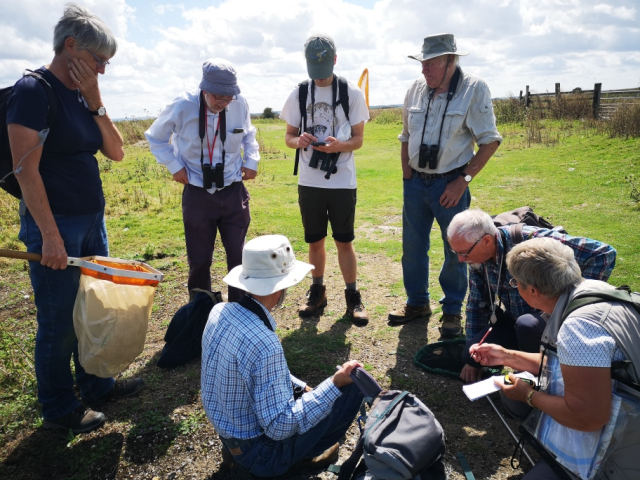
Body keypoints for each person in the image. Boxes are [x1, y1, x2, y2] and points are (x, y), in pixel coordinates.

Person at [7, 3, 143, 434]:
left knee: (91, 308)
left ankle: (97, 384)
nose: (102, 69)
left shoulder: (83, 95)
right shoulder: (33, 91)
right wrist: (49, 235)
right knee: (59, 320)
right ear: (70, 47)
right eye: (99, 60)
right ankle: (59, 406)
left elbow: (117, 151)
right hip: (54, 225)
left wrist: (97, 103)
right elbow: (25, 171)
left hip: (90, 221)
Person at [470, 238, 639, 480]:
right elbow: (573, 369)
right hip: (623, 412)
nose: (514, 286)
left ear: (533, 291)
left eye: (515, 282)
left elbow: (588, 416)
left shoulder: (579, 329)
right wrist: (507, 356)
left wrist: (527, 395)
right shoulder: (593, 291)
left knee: (515, 401)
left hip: (624, 448)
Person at [201, 235, 364, 478]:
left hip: (230, 436)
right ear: (280, 286)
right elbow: (279, 426)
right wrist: (333, 384)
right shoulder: (263, 341)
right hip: (260, 454)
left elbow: (251, 371)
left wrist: (302, 387)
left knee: (312, 393)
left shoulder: (218, 311)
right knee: (353, 387)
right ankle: (301, 458)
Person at [388, 33, 502, 337]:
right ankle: (417, 303)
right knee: (412, 248)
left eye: (431, 64)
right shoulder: (415, 89)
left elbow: (490, 141)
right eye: (422, 63)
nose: (424, 70)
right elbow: (405, 137)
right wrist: (406, 177)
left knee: (457, 251)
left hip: (450, 185)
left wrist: (462, 182)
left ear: (451, 62)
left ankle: (452, 311)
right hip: (415, 182)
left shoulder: (473, 89)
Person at [447, 209, 616, 383]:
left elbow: (604, 253)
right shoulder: (476, 258)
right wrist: (474, 356)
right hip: (514, 319)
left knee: (526, 325)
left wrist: (572, 303)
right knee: (471, 354)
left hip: (547, 322)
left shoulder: (534, 243)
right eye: (457, 253)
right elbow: (476, 303)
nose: (461, 259)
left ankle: (544, 379)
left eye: (464, 253)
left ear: (486, 241)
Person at [145, 59, 259, 302]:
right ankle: (200, 308)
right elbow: (155, 138)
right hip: (197, 191)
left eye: (229, 98)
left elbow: (249, 134)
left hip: (233, 190)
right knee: (199, 260)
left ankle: (239, 307)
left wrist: (252, 160)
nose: (223, 103)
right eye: (218, 97)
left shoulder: (239, 104)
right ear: (204, 89)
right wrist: (174, 166)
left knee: (239, 257)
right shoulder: (183, 105)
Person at [280, 34, 371, 325]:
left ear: (335, 59)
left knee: (344, 241)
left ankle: (353, 297)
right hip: (310, 181)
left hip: (342, 181)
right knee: (314, 240)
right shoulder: (299, 93)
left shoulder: (351, 93)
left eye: (324, 70)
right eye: (313, 72)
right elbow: (288, 137)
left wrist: (338, 146)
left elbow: (358, 140)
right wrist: (299, 141)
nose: (319, 79)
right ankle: (317, 291)